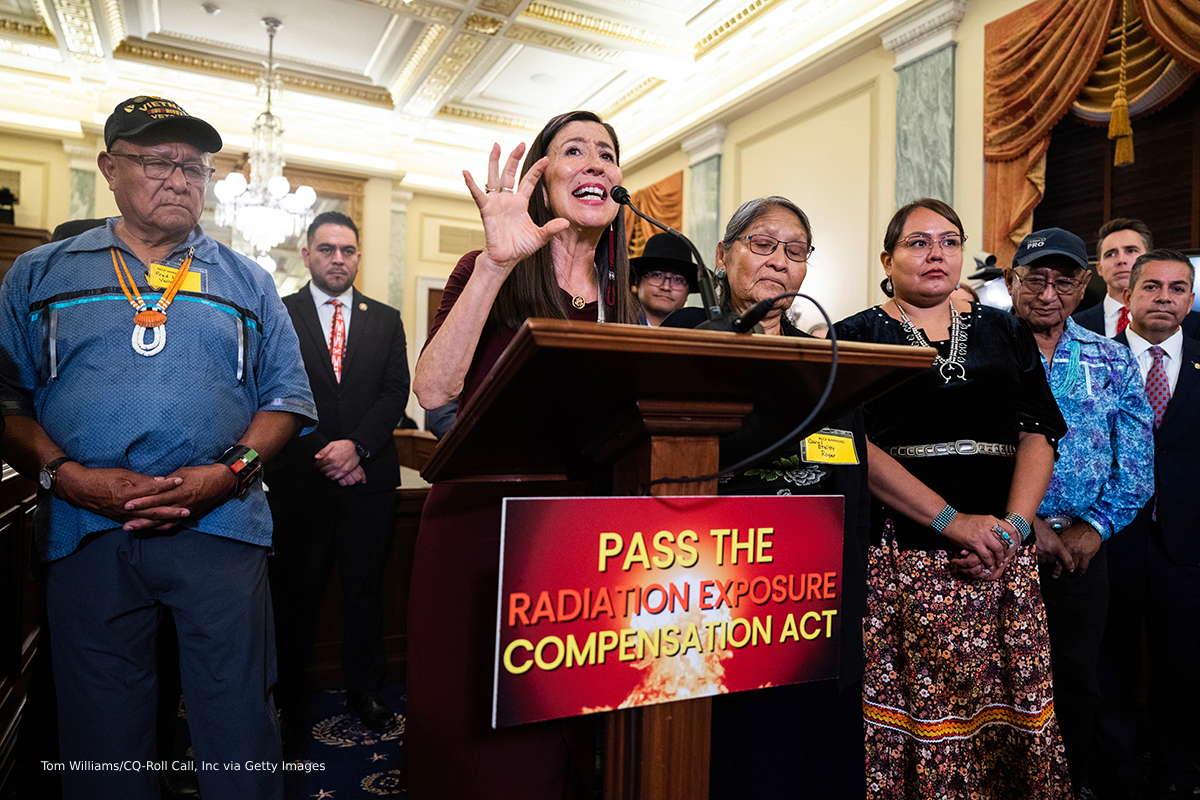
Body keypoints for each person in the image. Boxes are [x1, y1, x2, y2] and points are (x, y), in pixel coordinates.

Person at [0, 95, 316, 800]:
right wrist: (64, 473)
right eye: (157, 160)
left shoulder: (249, 280)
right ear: (110, 169)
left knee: (238, 720)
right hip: (85, 531)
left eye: (195, 167)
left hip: (222, 528)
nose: (180, 178)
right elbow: (6, 402)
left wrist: (226, 474)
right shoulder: (40, 274)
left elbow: (289, 400)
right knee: (101, 730)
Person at [406, 110, 637, 799]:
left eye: (608, 153)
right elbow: (433, 389)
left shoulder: (624, 302)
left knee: (567, 734)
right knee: (480, 742)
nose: (595, 163)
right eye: (575, 151)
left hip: (582, 544)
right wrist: (495, 267)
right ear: (543, 179)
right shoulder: (489, 269)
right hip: (481, 531)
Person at [833, 198, 1070, 798]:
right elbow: (853, 447)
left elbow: (1037, 431)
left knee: (1006, 712)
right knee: (923, 710)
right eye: (917, 242)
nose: (936, 253)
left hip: (1000, 558)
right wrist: (951, 521)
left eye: (949, 240)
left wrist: (1012, 530)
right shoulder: (853, 336)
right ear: (886, 259)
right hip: (906, 557)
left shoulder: (1005, 332)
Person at [661, 196, 868, 798]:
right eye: (762, 244)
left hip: (812, 597)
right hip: (713, 596)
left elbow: (848, 482)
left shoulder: (831, 360)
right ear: (723, 257)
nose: (779, 261)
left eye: (795, 250)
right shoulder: (685, 338)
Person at [1004, 227, 1154, 798]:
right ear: (1013, 281)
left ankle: (1071, 784)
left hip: (1083, 553)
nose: (1048, 293)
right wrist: (1026, 521)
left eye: (1062, 281)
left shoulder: (1111, 359)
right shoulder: (982, 350)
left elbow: (1136, 459)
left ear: (1083, 283)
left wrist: (1096, 528)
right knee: (1000, 676)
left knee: (1077, 679)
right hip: (1000, 543)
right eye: (1035, 279)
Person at [264, 211, 410, 738]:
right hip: (300, 482)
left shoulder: (386, 318)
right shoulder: (281, 313)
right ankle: (283, 697)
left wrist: (357, 448)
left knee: (365, 592)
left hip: (369, 481)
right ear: (307, 255)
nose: (338, 259)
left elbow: (395, 393)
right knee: (294, 594)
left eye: (347, 250)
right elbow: (273, 392)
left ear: (358, 256)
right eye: (326, 249)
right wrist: (324, 451)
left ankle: (366, 692)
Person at [1097, 250, 1200, 800]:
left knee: (1183, 662)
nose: (1165, 297)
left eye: (1178, 288)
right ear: (1128, 295)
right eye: (1153, 287)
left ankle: (1176, 768)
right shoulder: (1094, 358)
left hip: (1186, 543)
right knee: (1109, 658)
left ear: (1189, 298)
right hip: (1109, 536)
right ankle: (1115, 770)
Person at [1073, 218, 1200, 338]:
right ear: (1099, 268)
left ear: (1150, 259)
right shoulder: (1074, 324)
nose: (1121, 260)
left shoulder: (1195, 324)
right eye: (1111, 254)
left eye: (1131, 250)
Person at [629, 231, 696, 325]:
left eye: (677, 279)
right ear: (637, 281)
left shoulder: (698, 333)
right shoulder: (615, 324)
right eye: (657, 275)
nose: (666, 287)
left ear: (688, 290)